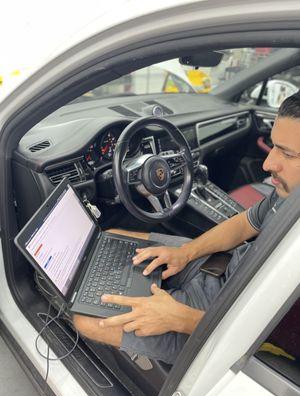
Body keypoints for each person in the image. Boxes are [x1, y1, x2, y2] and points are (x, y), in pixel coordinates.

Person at [73, 92, 300, 364]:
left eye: (286, 153)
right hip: (228, 268)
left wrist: (179, 318)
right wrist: (187, 253)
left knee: (87, 321)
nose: (268, 164)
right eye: (274, 146)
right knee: (114, 236)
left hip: (217, 319)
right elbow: (245, 224)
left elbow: (266, 343)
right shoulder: (290, 194)